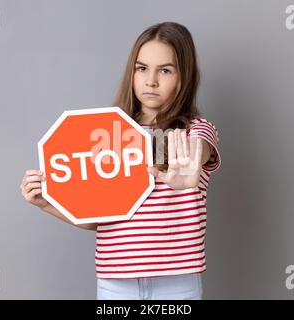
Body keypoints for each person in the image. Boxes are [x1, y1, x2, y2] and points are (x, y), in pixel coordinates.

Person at [20, 21, 221, 300]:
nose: (151, 81)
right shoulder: (109, 136)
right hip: (116, 283)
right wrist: (47, 204)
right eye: (142, 68)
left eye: (165, 70)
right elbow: (101, 221)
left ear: (184, 77)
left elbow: (200, 148)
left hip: (176, 283)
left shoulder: (196, 130)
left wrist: (190, 164)